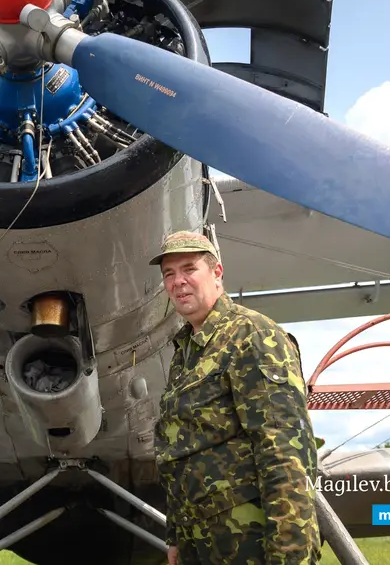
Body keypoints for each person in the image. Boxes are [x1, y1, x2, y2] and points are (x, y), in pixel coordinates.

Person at [151, 231, 320, 565]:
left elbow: (284, 449)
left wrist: (290, 552)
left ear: (217, 272)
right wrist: (177, 537)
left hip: (249, 543)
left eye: (189, 269)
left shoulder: (252, 335)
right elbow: (179, 453)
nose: (178, 281)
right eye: (169, 274)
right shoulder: (186, 351)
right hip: (201, 542)